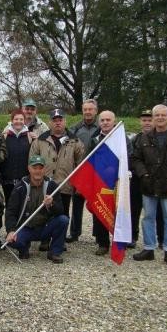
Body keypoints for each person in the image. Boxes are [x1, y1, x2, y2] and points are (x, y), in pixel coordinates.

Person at [131, 104, 167, 266]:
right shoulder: (144, 138)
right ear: (153, 118)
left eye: (163, 115)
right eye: (157, 115)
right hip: (148, 184)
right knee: (148, 217)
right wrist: (143, 174)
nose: (160, 118)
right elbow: (136, 159)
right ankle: (149, 248)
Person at [29, 108, 84, 250]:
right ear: (50, 122)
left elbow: (81, 163)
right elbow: (31, 160)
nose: (57, 123)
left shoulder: (75, 141)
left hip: (65, 184)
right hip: (44, 183)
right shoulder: (40, 140)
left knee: (63, 213)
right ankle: (45, 240)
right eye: (54, 120)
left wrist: (78, 184)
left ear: (65, 121)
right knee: (44, 212)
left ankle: (59, 241)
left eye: (60, 120)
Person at [5, 155, 69, 263]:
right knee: (12, 241)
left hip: (45, 227)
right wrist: (11, 230)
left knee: (63, 220)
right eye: (35, 168)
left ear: (44, 169)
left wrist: (51, 204)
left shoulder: (52, 186)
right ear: (29, 169)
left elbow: (61, 211)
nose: (37, 171)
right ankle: (24, 248)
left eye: (40, 168)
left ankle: (55, 252)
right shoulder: (20, 187)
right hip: (26, 227)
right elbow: (11, 211)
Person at [86, 111, 132, 255]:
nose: (105, 122)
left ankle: (119, 242)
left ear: (114, 121)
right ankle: (103, 243)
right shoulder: (94, 139)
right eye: (103, 120)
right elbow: (89, 159)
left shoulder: (123, 139)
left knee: (119, 212)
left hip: (118, 182)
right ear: (99, 122)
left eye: (108, 120)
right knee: (100, 211)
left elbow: (129, 157)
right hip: (100, 182)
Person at [129, 109, 164, 249]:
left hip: (157, 180)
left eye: (150, 120)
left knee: (159, 211)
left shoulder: (161, 138)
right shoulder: (135, 139)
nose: (147, 123)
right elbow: (132, 159)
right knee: (134, 209)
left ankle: (161, 238)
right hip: (138, 179)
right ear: (140, 122)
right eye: (144, 120)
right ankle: (132, 236)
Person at [67, 98, 99, 242]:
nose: (87, 112)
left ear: (96, 111)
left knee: (96, 204)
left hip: (96, 172)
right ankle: (74, 233)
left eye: (90, 109)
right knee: (77, 205)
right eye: (85, 109)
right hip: (79, 171)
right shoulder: (74, 129)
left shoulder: (101, 127)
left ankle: (99, 235)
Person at [0, 109, 32, 205]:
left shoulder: (29, 136)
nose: (18, 121)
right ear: (12, 120)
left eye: (21, 119)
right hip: (7, 180)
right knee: (9, 205)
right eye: (16, 119)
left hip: (24, 179)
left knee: (23, 205)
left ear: (24, 121)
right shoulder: (5, 135)